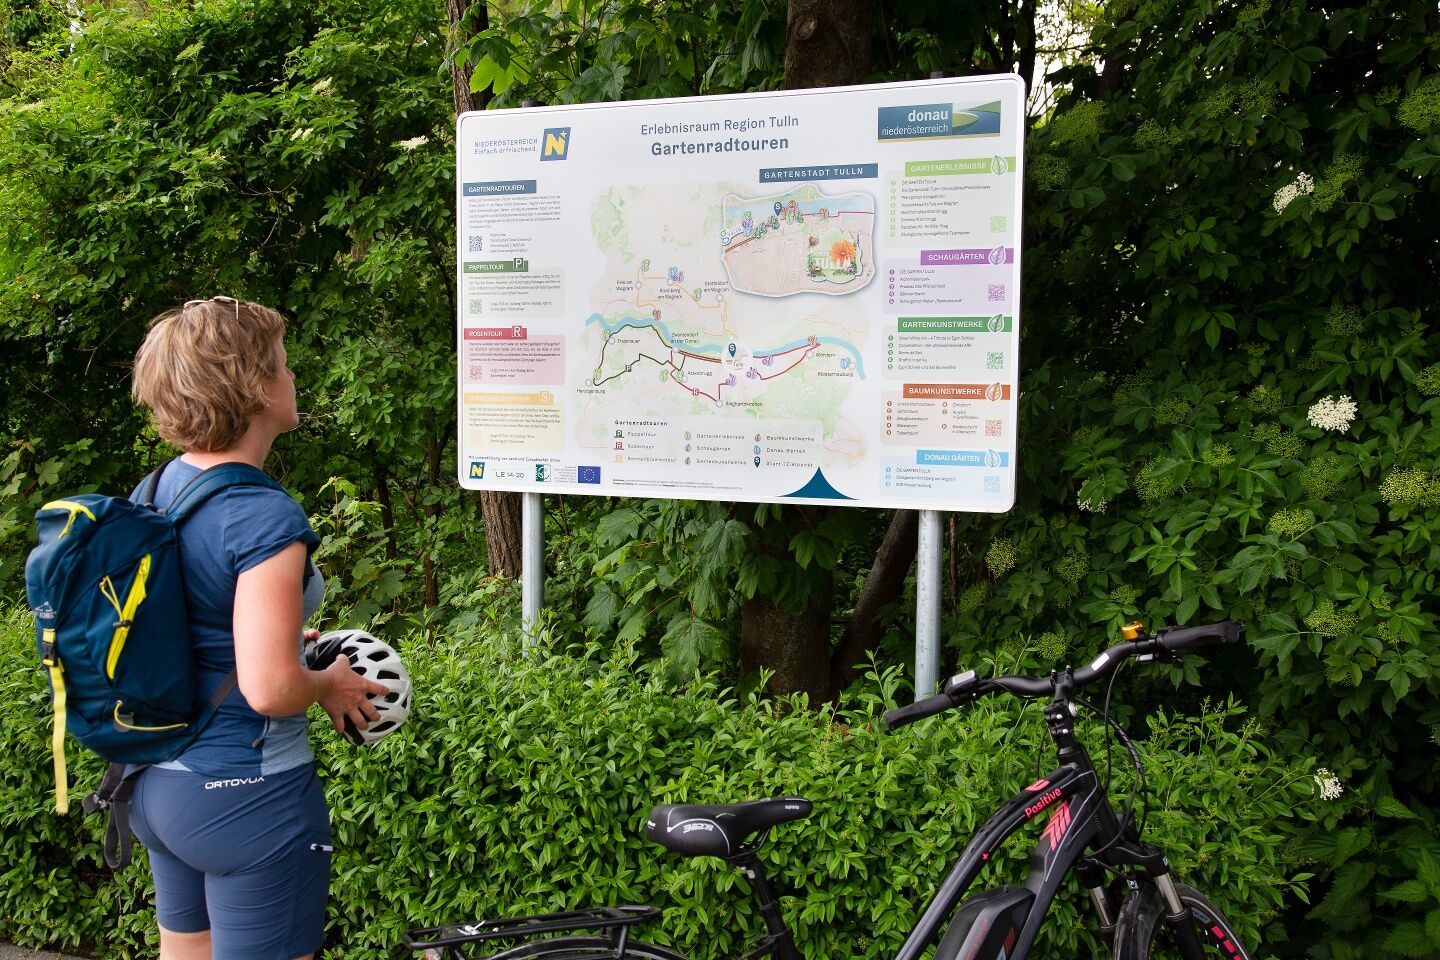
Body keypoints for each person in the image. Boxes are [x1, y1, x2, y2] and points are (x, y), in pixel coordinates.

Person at [127, 296, 387, 960]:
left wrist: (276, 643)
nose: (292, 376)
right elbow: (269, 690)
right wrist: (327, 683)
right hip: (249, 798)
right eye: (283, 363)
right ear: (255, 386)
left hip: (157, 784)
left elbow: (190, 626)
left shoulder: (156, 490)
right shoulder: (263, 517)